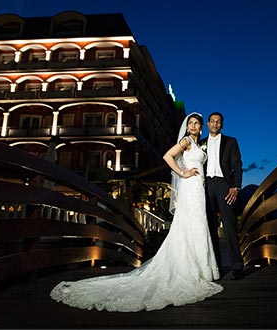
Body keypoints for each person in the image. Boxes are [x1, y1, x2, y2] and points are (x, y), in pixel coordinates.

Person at [50, 112, 222, 312]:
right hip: (190, 187)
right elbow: (167, 156)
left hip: (198, 188)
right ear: (188, 126)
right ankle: (191, 270)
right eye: (190, 123)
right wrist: (182, 172)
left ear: (201, 127)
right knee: (190, 225)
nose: (193, 126)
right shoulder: (185, 141)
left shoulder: (199, 142)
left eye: (196, 124)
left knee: (198, 225)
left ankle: (201, 270)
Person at [200, 112, 244, 280]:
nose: (215, 124)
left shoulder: (231, 142)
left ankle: (237, 266)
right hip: (205, 186)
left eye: (218, 122)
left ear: (222, 125)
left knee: (229, 225)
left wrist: (236, 187)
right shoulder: (200, 142)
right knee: (209, 227)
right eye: (212, 121)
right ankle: (215, 267)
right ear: (208, 124)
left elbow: (237, 165)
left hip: (224, 185)